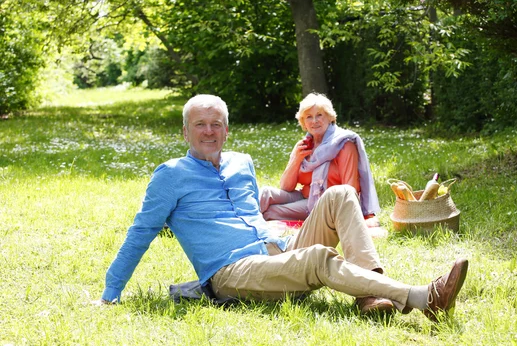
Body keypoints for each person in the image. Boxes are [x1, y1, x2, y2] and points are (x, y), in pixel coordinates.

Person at [97, 94, 469, 321]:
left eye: (216, 124)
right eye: (199, 125)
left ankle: (370, 294)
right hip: (231, 273)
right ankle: (423, 297)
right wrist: (110, 294)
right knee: (318, 258)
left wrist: (279, 236)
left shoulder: (241, 162)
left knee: (340, 195)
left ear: (227, 130)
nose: (209, 131)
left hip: (277, 250)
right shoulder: (171, 175)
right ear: (185, 132)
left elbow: (264, 206)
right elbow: (140, 234)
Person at [259, 93, 380, 225]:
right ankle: (238, 217)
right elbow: (286, 187)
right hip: (303, 195)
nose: (314, 121)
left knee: (270, 211)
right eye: (309, 117)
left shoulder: (344, 145)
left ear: (330, 117)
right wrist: (296, 159)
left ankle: (248, 225)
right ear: (303, 123)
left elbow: (350, 189)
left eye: (319, 115)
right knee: (265, 193)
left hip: (323, 204)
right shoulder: (304, 145)